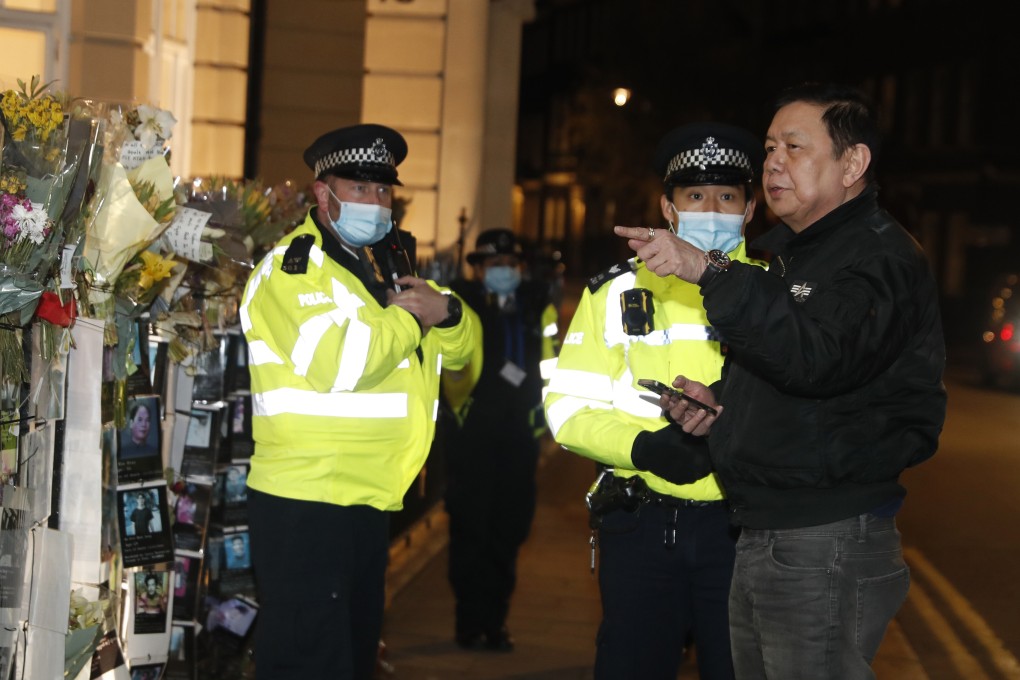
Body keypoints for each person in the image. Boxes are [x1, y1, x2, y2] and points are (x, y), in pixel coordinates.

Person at [615, 82, 947, 679]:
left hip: (823, 538)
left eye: (794, 147)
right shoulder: (797, 255)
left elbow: (820, 358)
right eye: (770, 148)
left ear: (853, 164)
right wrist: (724, 408)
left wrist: (707, 270)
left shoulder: (877, 257)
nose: (772, 164)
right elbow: (794, 374)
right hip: (769, 528)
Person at [240, 123, 481, 680]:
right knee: (308, 663)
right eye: (359, 189)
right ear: (323, 195)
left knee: (348, 661)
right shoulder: (293, 268)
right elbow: (341, 362)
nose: (375, 202)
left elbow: (462, 357)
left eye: (383, 191)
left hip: (367, 501)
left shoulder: (380, 270)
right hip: (309, 502)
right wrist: (408, 315)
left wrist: (445, 313)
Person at [543, 122, 764, 679]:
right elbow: (567, 409)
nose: (710, 209)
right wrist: (643, 448)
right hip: (641, 529)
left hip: (745, 534)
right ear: (668, 209)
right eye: (695, 196)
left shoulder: (774, 292)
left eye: (727, 197)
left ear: (750, 210)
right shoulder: (615, 292)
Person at [441, 228, 559, 652]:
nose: (505, 272)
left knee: (509, 531)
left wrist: (545, 417)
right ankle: (469, 621)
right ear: (478, 269)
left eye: (511, 264)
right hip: (473, 437)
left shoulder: (535, 306)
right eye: (496, 265)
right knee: (470, 531)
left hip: (519, 440)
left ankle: (496, 621)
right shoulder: (461, 305)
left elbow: (549, 361)